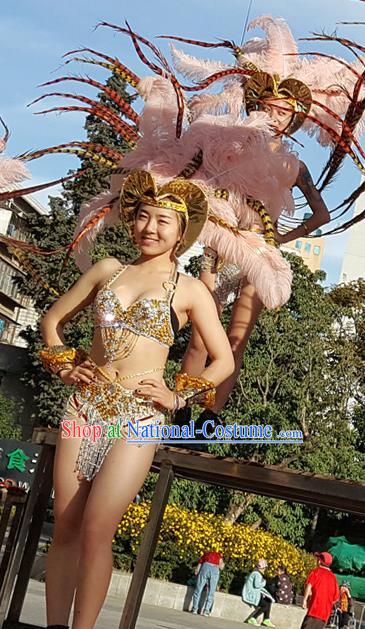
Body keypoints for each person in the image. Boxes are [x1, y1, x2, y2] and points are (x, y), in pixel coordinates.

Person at [40, 169, 234, 629]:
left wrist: (176, 395)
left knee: (96, 529)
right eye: (143, 216)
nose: (150, 227)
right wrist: (65, 364)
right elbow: (52, 322)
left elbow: (222, 361)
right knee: (64, 527)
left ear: (182, 232)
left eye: (163, 220)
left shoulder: (190, 292)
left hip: (139, 419)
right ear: (130, 222)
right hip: (85, 407)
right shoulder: (109, 269)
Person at [301, 552, 340, 629]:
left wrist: (305, 600)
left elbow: (309, 585)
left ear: (319, 561)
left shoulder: (316, 572)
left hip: (313, 611)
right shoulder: (333, 578)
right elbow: (335, 598)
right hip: (325, 615)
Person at [242, 559, 276, 627]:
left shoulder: (255, 573)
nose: (265, 570)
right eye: (264, 568)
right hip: (252, 595)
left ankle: (266, 619)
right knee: (265, 605)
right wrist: (264, 582)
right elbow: (257, 585)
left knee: (268, 601)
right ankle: (253, 618)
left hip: (254, 593)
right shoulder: (257, 574)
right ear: (262, 568)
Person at [191, 549, 225, 617]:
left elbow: (200, 564)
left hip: (205, 567)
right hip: (215, 568)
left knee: (198, 589)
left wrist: (197, 571)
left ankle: (194, 609)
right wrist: (220, 565)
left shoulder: (206, 553)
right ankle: (206, 611)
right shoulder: (219, 555)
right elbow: (221, 567)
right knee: (211, 592)